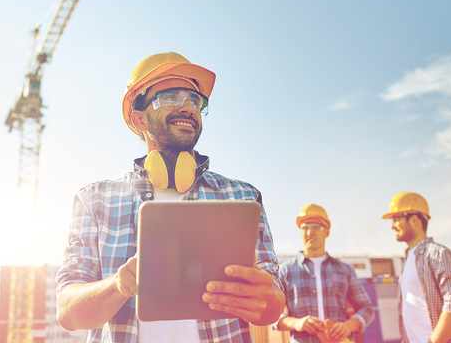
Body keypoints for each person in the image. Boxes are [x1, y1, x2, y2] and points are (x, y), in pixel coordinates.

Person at [56, 52, 286, 343]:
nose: (187, 107)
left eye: (194, 100)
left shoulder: (244, 197)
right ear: (138, 118)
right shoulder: (94, 200)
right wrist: (119, 285)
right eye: (169, 97)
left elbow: (274, 302)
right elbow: (68, 311)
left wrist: (267, 301)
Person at [276, 204, 374, 343]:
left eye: (315, 227)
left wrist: (348, 326)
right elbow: (271, 313)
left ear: (327, 230)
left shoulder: (345, 270)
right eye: (305, 228)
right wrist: (296, 323)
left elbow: (367, 308)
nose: (310, 233)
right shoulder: (285, 270)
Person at [382, 192, 451, 343]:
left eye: (397, 219)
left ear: (414, 220)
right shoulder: (408, 261)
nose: (392, 226)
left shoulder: (438, 254)